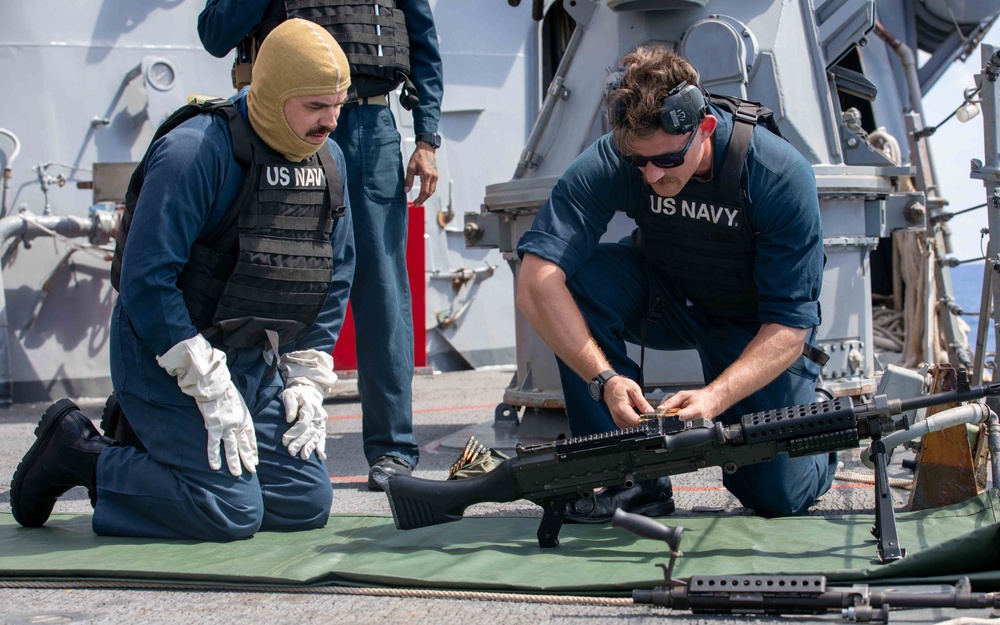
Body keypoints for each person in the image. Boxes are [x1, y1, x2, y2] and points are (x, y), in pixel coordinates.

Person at [9, 19, 356, 540]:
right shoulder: (195, 150)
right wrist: (207, 383)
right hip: (165, 350)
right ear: (274, 93)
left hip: (251, 357)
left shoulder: (328, 162)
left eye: (338, 105)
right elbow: (146, 280)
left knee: (303, 504)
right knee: (229, 511)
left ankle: (162, 448)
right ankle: (78, 451)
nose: (330, 121)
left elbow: (335, 273)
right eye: (314, 106)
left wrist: (306, 374)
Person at [515, 44, 836, 523]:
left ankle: (814, 417)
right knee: (576, 281)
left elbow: (790, 327)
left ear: (703, 128)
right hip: (669, 298)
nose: (649, 174)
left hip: (755, 328)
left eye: (664, 160)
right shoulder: (624, 157)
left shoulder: (778, 176)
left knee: (776, 497)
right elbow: (536, 280)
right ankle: (629, 479)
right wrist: (602, 381)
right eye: (638, 161)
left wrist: (715, 397)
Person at [197, 0, 443, 490]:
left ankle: (392, 450)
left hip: (369, 129)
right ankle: (268, 435)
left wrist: (427, 137)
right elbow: (214, 33)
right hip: (280, 125)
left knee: (382, 295)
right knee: (271, 275)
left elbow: (423, 44)